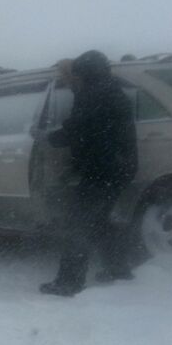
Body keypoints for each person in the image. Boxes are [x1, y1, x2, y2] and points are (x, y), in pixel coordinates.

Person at [40, 50, 138, 296]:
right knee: (101, 221)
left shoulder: (95, 94)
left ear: (85, 74)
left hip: (102, 170)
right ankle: (118, 269)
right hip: (116, 167)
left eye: (77, 75)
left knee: (78, 225)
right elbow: (89, 122)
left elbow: (77, 127)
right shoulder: (108, 89)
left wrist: (47, 138)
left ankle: (68, 283)